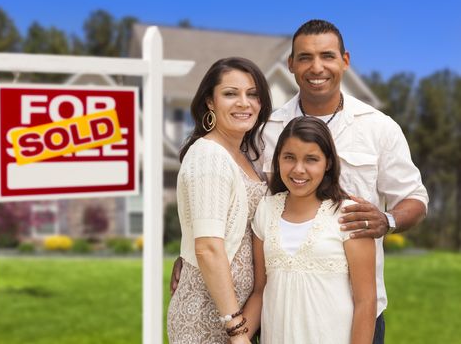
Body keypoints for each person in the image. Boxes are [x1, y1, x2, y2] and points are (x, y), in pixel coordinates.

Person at [171, 19, 429, 343]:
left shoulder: (379, 127)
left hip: (357, 313)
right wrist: (193, 255)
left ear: (345, 61)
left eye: (327, 56)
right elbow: (228, 193)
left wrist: (386, 220)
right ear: (291, 64)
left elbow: (415, 198)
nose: (316, 67)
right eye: (305, 57)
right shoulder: (265, 129)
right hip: (277, 310)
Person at [166, 57, 272, 344]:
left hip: (237, 314)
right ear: (210, 102)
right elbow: (208, 248)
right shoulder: (209, 155)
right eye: (230, 94)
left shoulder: (246, 156)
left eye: (252, 94)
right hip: (208, 314)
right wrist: (236, 330)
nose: (244, 103)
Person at [248, 116, 376, 343]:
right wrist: (237, 337)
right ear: (278, 159)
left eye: (311, 159)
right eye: (289, 158)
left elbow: (366, 302)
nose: (299, 169)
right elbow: (260, 291)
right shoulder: (266, 210)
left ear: (327, 163)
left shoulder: (349, 215)